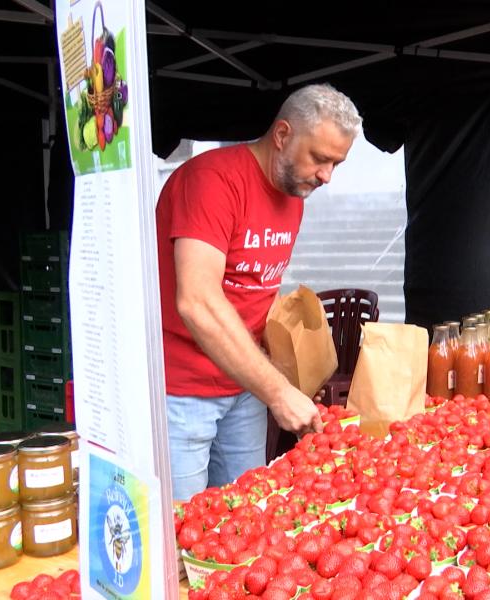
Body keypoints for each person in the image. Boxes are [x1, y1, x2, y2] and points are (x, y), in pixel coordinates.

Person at [155, 83, 362, 501]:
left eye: (336, 164)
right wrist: (278, 392)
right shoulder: (212, 181)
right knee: (179, 533)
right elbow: (197, 302)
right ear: (282, 135)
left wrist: (289, 371)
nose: (327, 176)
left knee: (244, 517)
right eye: (320, 159)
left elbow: (258, 290)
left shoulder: (293, 195)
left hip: (243, 389)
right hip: (181, 393)